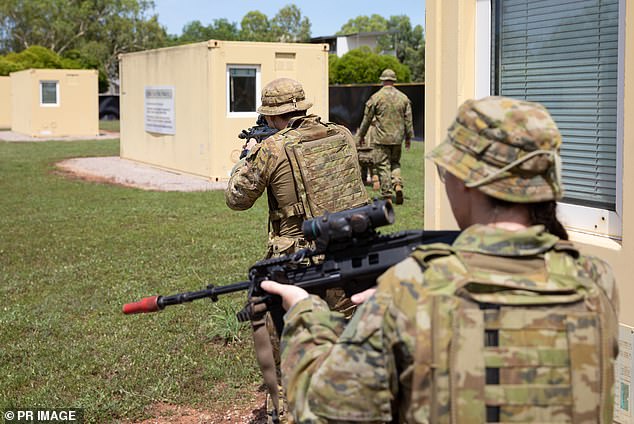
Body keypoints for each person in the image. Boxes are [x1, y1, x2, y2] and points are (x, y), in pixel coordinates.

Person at [262, 96, 620, 423]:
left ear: (466, 182)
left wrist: (304, 314)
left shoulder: (411, 292)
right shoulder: (595, 280)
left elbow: (323, 414)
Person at [225, 77, 369, 422]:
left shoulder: (271, 149)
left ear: (272, 117)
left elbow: (237, 199)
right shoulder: (341, 134)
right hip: (347, 251)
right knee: (348, 334)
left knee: (288, 340)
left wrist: (246, 158)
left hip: (296, 262)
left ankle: (288, 413)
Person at [357, 68, 414, 204]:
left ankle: (387, 196)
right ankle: (397, 184)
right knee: (395, 163)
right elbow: (409, 120)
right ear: (394, 81)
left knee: (383, 166)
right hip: (397, 139)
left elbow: (367, 119)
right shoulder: (404, 98)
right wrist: (408, 137)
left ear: (382, 80)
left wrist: (361, 136)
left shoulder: (376, 97)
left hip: (381, 139)